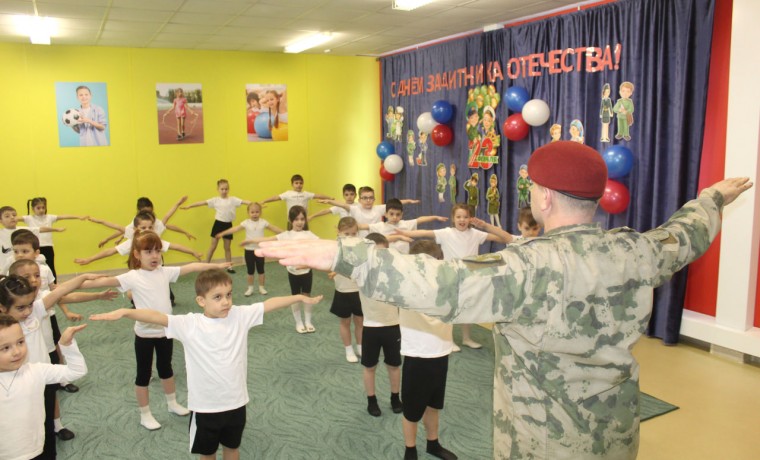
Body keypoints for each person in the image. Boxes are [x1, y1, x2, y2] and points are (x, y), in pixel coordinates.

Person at [255, 141, 753, 460]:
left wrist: (343, 254)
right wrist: (712, 198)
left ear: (545, 198)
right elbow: (682, 236)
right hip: (615, 432)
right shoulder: (635, 250)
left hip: (543, 439)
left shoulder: (526, 266)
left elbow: (440, 285)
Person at [90, 269, 322, 460]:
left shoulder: (240, 316)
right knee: (207, 453)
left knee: (232, 448)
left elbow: (269, 303)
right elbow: (155, 316)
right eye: (217, 297)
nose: (226, 301)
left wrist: (298, 297)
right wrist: (125, 312)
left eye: (229, 295)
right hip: (205, 407)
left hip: (236, 402)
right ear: (201, 301)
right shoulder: (189, 324)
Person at [80, 231, 231, 431]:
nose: (154, 256)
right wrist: (71, 285)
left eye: (158, 251)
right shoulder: (132, 277)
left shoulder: (164, 272)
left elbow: (192, 267)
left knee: (166, 368)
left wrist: (216, 266)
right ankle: (145, 414)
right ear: (137, 254)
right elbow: (103, 282)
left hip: (166, 332)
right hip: (144, 334)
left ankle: (172, 403)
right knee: (143, 375)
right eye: (148, 252)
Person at [0, 271, 99, 458]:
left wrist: (82, 277)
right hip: (14, 382)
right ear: (3, 308)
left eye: (30, 304)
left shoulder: (36, 312)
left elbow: (59, 291)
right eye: (20, 308)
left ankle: (52, 438)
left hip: (41, 376)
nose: (27, 311)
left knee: (45, 419)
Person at [395, 203, 511, 351]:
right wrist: (404, 233)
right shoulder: (446, 233)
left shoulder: (476, 234)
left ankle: (466, 338)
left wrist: (488, 227)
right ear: (453, 218)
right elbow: (425, 232)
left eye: (465, 217)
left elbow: (502, 239)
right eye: (458, 217)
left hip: (469, 277)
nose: (462, 220)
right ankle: (448, 339)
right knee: (449, 309)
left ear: (471, 219)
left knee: (467, 308)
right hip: (450, 277)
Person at [0, 313, 87, 460]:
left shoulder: (36, 371)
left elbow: (77, 371)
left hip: (36, 449)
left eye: (20, 342)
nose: (17, 351)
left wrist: (67, 346)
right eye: (5, 348)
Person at [401, 240, 457, 460]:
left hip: (441, 352)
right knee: (412, 410)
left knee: (434, 404)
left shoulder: (447, 285)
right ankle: (410, 450)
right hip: (418, 355)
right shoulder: (405, 287)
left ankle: (433, 443)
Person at [250, 205, 318, 333]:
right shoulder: (286, 235)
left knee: (307, 295)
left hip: (307, 270)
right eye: (296, 219)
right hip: (293, 271)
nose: (299, 222)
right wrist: (251, 240)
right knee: (295, 297)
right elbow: (268, 239)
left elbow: (322, 244)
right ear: (290, 220)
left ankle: (308, 321)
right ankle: (299, 322)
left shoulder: (309, 234)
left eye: (302, 219)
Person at [358, 233, 402, 418]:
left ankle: (395, 398)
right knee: (369, 367)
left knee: (394, 365)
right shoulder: (360, 272)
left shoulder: (394, 271)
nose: (379, 257)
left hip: (393, 325)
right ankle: (372, 400)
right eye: (375, 253)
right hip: (370, 327)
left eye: (383, 253)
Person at [75, 211, 202, 266]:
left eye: (150, 227)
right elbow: (110, 251)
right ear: (136, 229)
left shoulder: (156, 241)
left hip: (156, 272)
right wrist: (89, 259)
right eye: (143, 228)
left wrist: (193, 252)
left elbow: (176, 246)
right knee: (132, 295)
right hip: (140, 273)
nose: (147, 230)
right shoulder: (133, 241)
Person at [182, 179, 251, 272]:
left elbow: (245, 202)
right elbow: (202, 203)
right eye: (222, 189)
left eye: (226, 189)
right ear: (218, 189)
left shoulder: (233, 200)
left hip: (228, 225)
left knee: (227, 247)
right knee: (213, 247)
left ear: (228, 189)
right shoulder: (215, 200)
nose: (224, 191)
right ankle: (206, 265)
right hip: (218, 224)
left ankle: (229, 266)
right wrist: (190, 206)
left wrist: (257, 204)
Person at [218, 202, 283, 296]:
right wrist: (223, 233)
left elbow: (274, 228)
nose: (255, 214)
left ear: (260, 212)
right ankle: (250, 288)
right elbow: (235, 229)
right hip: (249, 250)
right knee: (250, 271)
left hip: (260, 251)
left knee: (261, 270)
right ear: (248, 213)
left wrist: (286, 233)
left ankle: (261, 287)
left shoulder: (263, 222)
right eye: (252, 212)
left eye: (257, 212)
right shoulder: (246, 223)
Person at [21, 197, 89, 279]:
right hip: (34, 247)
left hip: (48, 246)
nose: (41, 210)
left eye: (43, 207)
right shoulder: (29, 218)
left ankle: (54, 283)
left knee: (50, 266)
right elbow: (14, 218)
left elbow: (64, 216)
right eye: (38, 208)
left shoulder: (49, 217)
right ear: (33, 209)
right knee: (34, 267)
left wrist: (79, 217)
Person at [94, 195, 195, 248]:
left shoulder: (154, 221)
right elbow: (121, 229)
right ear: (139, 212)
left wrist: (185, 232)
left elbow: (168, 220)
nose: (148, 215)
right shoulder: (138, 221)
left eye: (150, 212)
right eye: (145, 213)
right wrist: (108, 239)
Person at [328, 217, 363, 362]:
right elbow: (331, 264)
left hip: (358, 290)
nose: (350, 237)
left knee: (360, 321)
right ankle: (348, 349)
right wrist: (335, 270)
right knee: (345, 322)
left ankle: (360, 347)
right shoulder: (334, 247)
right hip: (343, 291)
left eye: (353, 234)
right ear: (338, 232)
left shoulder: (360, 245)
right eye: (346, 234)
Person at [320, 186, 419, 237]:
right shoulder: (355, 209)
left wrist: (408, 201)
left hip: (376, 241)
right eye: (365, 198)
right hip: (361, 241)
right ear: (359, 200)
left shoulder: (378, 209)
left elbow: (394, 204)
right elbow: (342, 204)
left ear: (374, 199)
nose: (368, 200)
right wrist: (329, 201)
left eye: (371, 198)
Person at [359, 198, 447, 255]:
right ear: (385, 214)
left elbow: (420, 219)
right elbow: (363, 226)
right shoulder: (380, 226)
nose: (394, 217)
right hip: (387, 258)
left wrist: (435, 217)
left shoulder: (405, 224)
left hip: (404, 258)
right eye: (391, 214)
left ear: (402, 215)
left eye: (398, 214)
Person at [259, 173, 333, 217]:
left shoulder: (306, 194)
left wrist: (330, 198)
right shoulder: (288, 193)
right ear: (292, 184)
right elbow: (276, 197)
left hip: (303, 220)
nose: (299, 185)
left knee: (303, 237)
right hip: (291, 220)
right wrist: (264, 201)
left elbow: (318, 196)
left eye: (301, 183)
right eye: (296, 183)